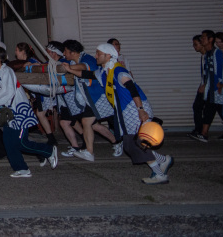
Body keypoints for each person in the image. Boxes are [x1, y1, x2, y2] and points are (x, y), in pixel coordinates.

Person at [74, 43, 173, 184]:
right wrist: (69, 69)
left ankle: (160, 174)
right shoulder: (106, 71)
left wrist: (140, 110)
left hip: (134, 109)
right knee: (133, 142)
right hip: (125, 110)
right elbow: (87, 74)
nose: (95, 56)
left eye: (98, 54)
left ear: (108, 56)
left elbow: (132, 88)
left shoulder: (118, 71)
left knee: (135, 143)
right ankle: (163, 160)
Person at [0, 45, 57, 178]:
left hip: (18, 112)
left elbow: (8, 92)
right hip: (8, 113)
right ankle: (21, 169)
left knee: (20, 142)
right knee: (9, 142)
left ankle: (48, 150)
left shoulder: (6, 71)